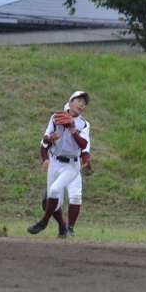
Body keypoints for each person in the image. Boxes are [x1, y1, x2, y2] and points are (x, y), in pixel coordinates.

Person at [28, 91, 91, 238]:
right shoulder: (56, 117)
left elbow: (83, 145)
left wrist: (72, 129)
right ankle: (63, 227)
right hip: (55, 162)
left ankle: (44, 222)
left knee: (59, 191)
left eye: (84, 103)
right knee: (53, 197)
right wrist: (48, 147)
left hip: (71, 165)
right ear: (70, 103)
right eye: (79, 100)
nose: (81, 104)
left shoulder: (83, 124)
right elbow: (45, 141)